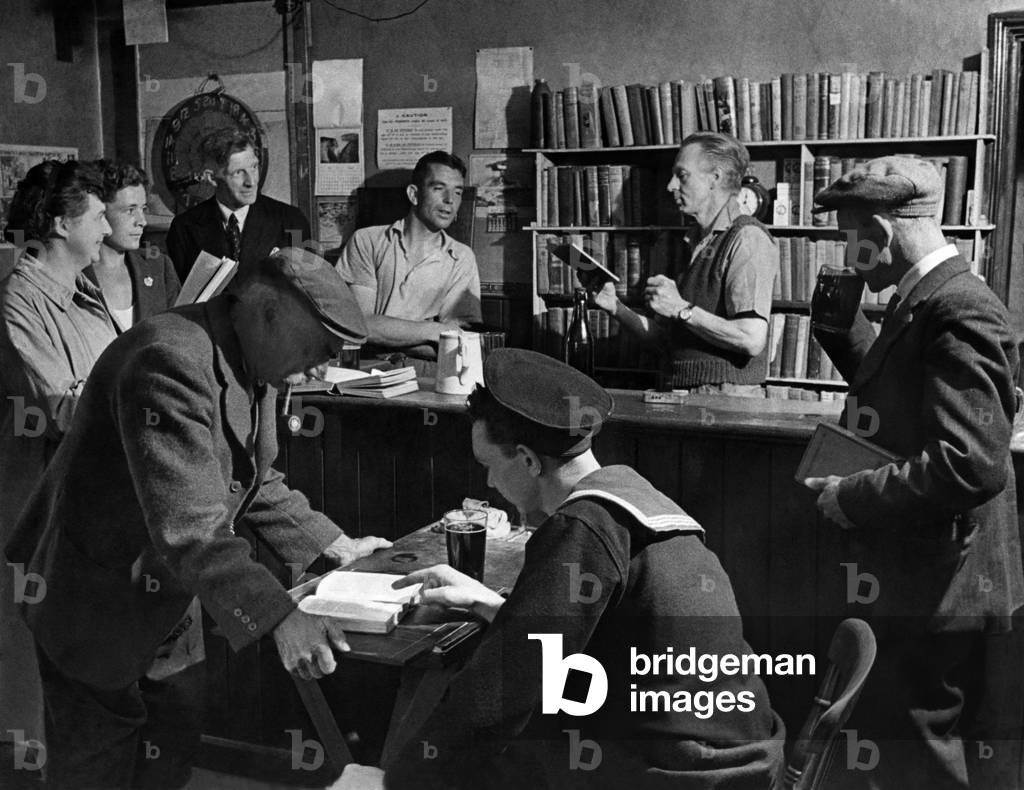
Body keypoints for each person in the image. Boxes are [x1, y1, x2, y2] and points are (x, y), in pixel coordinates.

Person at [4, 248, 392, 789]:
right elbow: (192, 524)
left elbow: (253, 479)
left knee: (170, 752)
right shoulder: (169, 359)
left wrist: (333, 544)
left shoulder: (249, 357)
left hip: (163, 596)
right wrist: (278, 616)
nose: (322, 367)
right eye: (318, 348)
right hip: (94, 597)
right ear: (265, 310)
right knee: (97, 766)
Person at [336, 348, 785, 790]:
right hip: (736, 757)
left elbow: (500, 692)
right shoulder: (629, 493)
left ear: (529, 461)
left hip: (683, 773)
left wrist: (394, 782)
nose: (489, 483)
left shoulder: (580, 526)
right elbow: (569, 638)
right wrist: (489, 603)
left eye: (489, 465)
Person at [804, 156, 1024, 789]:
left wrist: (853, 497)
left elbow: (971, 463)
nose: (850, 251)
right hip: (937, 571)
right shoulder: (927, 299)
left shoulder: (959, 307)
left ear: (881, 226)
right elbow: (914, 407)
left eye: (851, 235)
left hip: (949, 584)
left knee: (927, 754)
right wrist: (845, 337)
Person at [0, 159, 117, 755]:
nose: (107, 227)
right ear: (57, 222)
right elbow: (63, 407)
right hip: (50, 511)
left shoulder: (84, 293)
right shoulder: (21, 300)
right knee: (69, 691)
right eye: (97, 216)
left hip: (96, 506)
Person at [591, 132, 778, 394]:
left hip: (725, 400)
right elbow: (665, 340)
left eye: (682, 175)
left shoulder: (747, 238)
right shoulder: (691, 242)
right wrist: (616, 308)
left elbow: (751, 338)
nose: (670, 186)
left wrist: (682, 309)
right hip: (682, 392)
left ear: (715, 178)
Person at [335, 150, 481, 373]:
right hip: (366, 371)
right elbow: (359, 326)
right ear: (414, 194)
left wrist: (385, 332)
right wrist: (433, 331)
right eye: (438, 188)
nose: (450, 200)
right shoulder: (367, 241)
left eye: (458, 192)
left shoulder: (462, 258)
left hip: (431, 374)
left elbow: (460, 345)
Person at [166, 128, 311, 282]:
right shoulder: (184, 229)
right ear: (211, 178)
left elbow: (308, 292)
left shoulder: (291, 220)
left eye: (254, 167)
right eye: (238, 172)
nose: (251, 181)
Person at [88, 159, 180, 329]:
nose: (142, 221)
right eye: (130, 210)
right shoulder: (76, 273)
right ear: (99, 211)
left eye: (143, 209)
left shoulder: (159, 266)